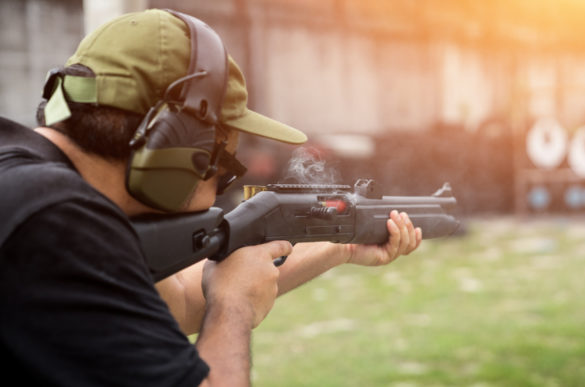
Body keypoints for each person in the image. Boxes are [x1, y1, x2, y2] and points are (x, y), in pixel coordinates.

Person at [0, 8, 422, 386]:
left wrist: (341, 243)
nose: (223, 181)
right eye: (224, 165)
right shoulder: (57, 221)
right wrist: (234, 307)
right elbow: (214, 304)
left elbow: (179, 301)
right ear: (177, 148)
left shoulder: (27, 185)